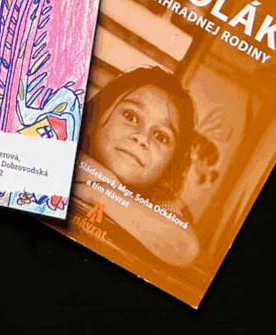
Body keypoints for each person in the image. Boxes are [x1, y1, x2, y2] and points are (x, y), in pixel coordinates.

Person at [73, 66, 200, 267]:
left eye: (161, 136)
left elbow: (185, 248)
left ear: (169, 165)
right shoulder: (64, 145)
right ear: (97, 116)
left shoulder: (161, 203)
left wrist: (99, 191)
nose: (142, 137)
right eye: (131, 116)